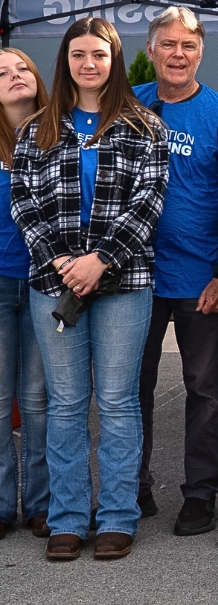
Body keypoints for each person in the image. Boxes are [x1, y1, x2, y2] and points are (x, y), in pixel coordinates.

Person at [13, 18, 168, 561]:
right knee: (66, 404)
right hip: (52, 283)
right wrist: (61, 261)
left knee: (120, 403)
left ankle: (118, 517)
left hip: (124, 282)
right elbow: (24, 202)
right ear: (65, 61)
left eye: (98, 55)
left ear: (114, 60)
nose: (87, 63)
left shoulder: (143, 127)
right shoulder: (37, 129)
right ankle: (69, 518)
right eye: (77, 54)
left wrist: (99, 261)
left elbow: (148, 205)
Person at [134, 7, 218, 536]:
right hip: (133, 277)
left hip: (201, 279)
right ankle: (135, 488)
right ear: (150, 51)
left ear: (200, 53)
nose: (178, 55)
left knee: (207, 390)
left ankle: (200, 495)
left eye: (188, 46)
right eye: (168, 45)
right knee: (131, 388)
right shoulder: (128, 106)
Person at [0, 49, 50, 539]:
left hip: (43, 280)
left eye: (22, 68)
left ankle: (40, 504)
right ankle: (0, 506)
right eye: (2, 73)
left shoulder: (59, 133)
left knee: (38, 399)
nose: (15, 77)